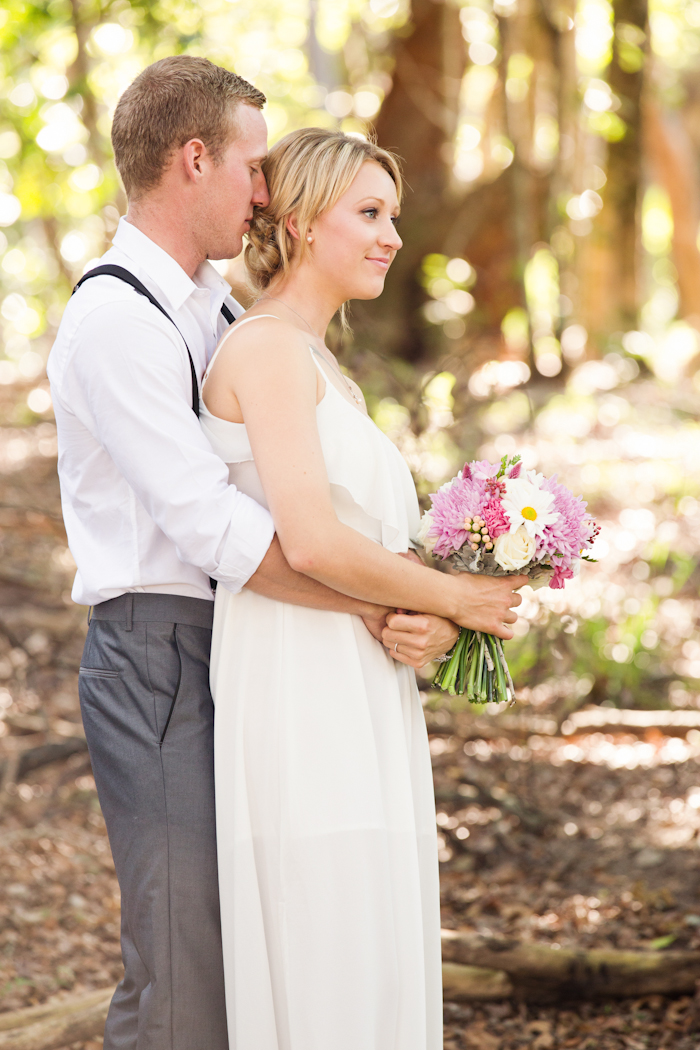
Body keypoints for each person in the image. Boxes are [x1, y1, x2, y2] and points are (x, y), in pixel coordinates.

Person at [47, 56, 517, 1050]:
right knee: (180, 969)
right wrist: (400, 603)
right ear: (193, 160)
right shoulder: (113, 321)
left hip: (253, 637)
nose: (266, 189)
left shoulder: (219, 312)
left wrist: (404, 602)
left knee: (259, 947)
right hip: (158, 649)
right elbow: (217, 527)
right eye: (255, 165)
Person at [201, 127, 526, 1050]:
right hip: (299, 690)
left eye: (394, 215)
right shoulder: (265, 349)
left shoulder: (323, 365)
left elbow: (361, 549)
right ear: (301, 222)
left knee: (374, 938)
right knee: (327, 942)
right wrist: (457, 601)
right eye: (370, 213)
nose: (390, 235)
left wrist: (418, 613)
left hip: (357, 681)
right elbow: (308, 540)